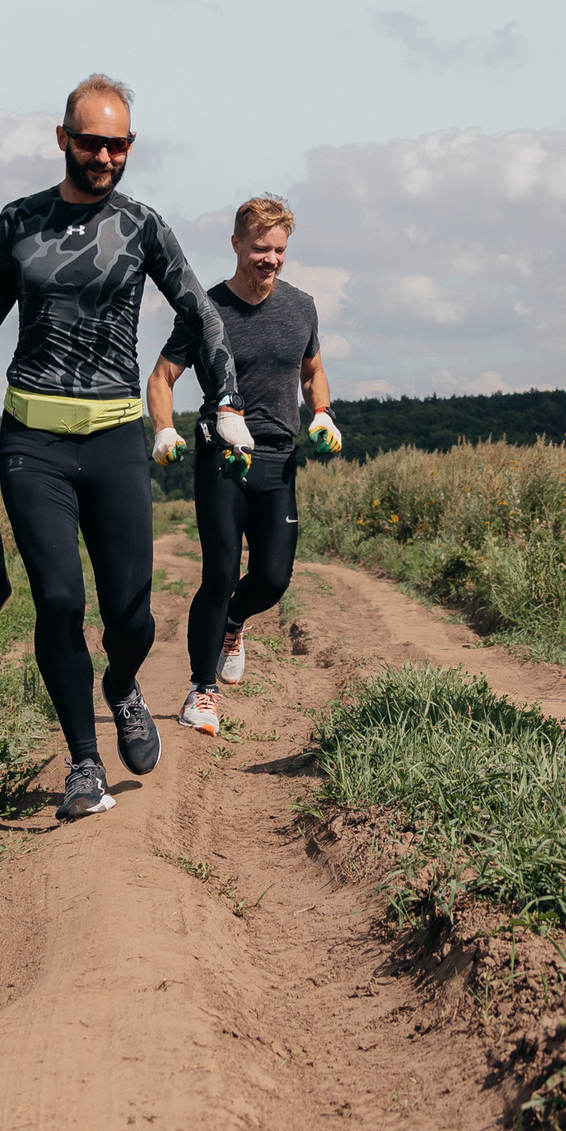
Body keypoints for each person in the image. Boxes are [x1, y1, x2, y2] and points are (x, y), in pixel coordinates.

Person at [0, 74, 251, 822]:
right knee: (60, 602)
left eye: (119, 144)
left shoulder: (142, 226)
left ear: (130, 146)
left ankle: (123, 686)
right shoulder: (21, 221)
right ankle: (83, 763)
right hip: (32, 439)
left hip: (113, 437)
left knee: (130, 612)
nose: (105, 155)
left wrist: (225, 398)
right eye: (92, 141)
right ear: (63, 138)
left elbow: (201, 312)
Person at [144, 195, 340, 736]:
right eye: (259, 248)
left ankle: (235, 622)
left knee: (274, 579)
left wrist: (322, 412)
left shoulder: (302, 307)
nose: (270, 259)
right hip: (222, 457)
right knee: (220, 572)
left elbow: (312, 370)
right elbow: (161, 377)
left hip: (280, 457)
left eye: (278, 250)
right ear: (236, 244)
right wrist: (163, 428)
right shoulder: (206, 310)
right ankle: (200, 692)